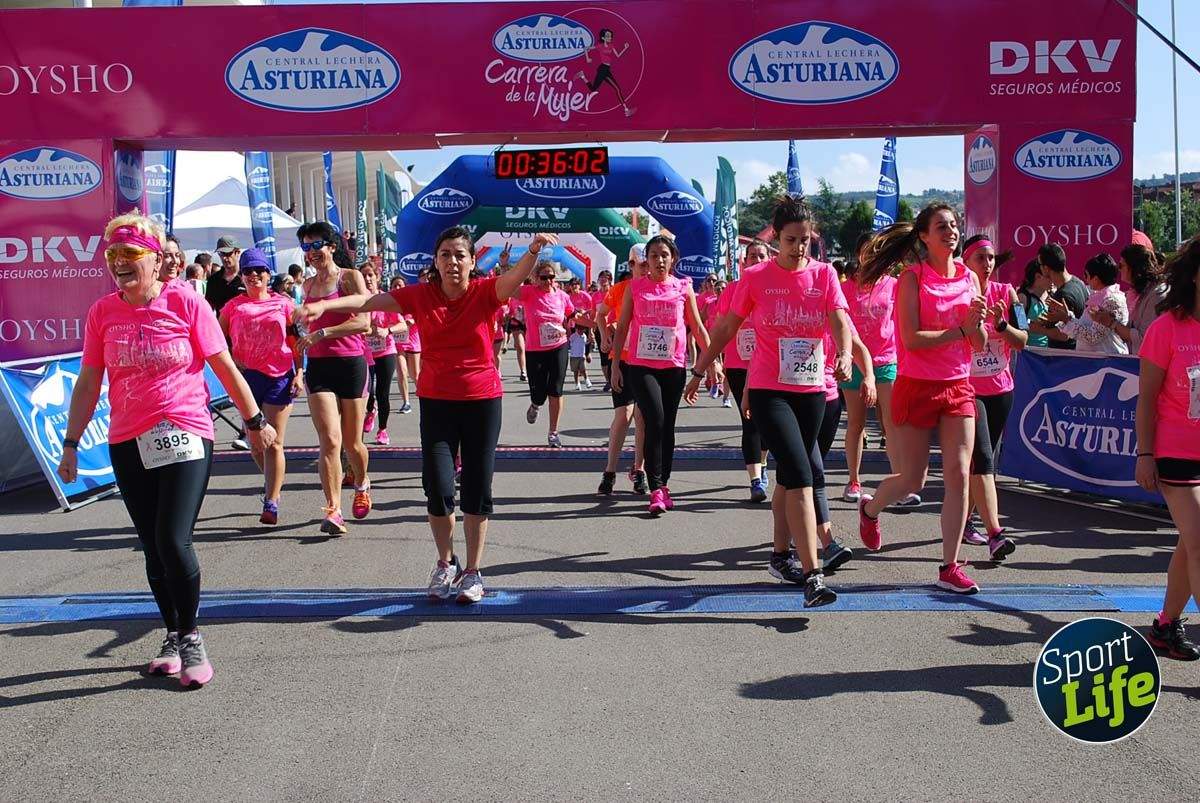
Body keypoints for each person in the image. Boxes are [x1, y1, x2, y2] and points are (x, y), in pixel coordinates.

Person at [57, 212, 277, 688]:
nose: (119, 263)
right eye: (113, 255)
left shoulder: (186, 302)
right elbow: (89, 381)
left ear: (156, 261)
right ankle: (173, 634)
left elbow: (224, 365)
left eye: (130, 254)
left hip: (185, 431)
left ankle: (192, 635)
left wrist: (255, 420)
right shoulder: (102, 313)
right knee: (153, 548)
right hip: (127, 439)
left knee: (173, 539)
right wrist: (71, 443)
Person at [299, 228, 559, 604]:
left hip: (482, 401)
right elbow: (370, 300)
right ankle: (445, 562)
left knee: (476, 488)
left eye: (459, 255)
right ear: (435, 261)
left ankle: (473, 570)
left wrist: (532, 250)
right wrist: (325, 306)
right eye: (445, 254)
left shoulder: (486, 291)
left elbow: (515, 277)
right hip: (437, 402)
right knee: (438, 488)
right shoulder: (421, 295)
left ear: (471, 261)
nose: (452, 262)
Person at [687, 196, 847, 606]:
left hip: (811, 390)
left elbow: (838, 319)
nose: (798, 248)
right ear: (777, 239)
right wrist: (701, 368)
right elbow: (726, 327)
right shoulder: (757, 277)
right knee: (801, 474)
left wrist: (845, 354)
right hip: (768, 389)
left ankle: (778, 556)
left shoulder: (825, 274)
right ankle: (813, 575)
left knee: (791, 477)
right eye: (791, 240)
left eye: (805, 240)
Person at [856, 203, 988, 594]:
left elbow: (979, 343)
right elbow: (911, 339)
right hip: (916, 384)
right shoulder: (912, 279)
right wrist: (960, 330)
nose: (950, 231)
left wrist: (979, 324)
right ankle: (870, 509)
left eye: (954, 225)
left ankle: (950, 566)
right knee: (912, 480)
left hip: (958, 385)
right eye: (941, 226)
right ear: (925, 236)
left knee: (959, 473)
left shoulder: (969, 278)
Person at [1135, 234, 1200, 661]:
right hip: (1177, 451)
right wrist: (1145, 454)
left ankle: (1165, 624)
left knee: (1191, 543)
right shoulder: (1166, 329)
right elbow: (1146, 399)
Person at [294, 221, 372, 535]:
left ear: (332, 246)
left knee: (353, 444)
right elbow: (306, 327)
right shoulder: (306, 286)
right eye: (306, 246)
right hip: (319, 366)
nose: (311, 252)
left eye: (316, 245)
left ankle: (362, 483)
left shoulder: (349, 277)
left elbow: (364, 322)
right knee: (329, 440)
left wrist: (322, 332)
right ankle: (334, 510)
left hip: (351, 363)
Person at [219, 247, 301, 525]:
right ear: (241, 276)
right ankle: (273, 480)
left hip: (279, 376)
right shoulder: (233, 307)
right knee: (256, 445)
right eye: (248, 271)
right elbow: (215, 339)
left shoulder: (284, 304)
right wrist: (231, 362)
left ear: (268, 274)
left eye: (259, 271)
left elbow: (297, 341)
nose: (253, 275)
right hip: (247, 379)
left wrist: (300, 373)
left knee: (274, 442)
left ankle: (271, 500)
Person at [960, 235, 1024, 559]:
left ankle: (965, 520)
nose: (987, 264)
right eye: (980, 258)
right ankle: (995, 534)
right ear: (965, 262)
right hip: (968, 391)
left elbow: (1022, 339)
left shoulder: (1007, 292)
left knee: (983, 463)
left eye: (990, 258)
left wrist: (1002, 325)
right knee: (982, 458)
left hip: (1001, 390)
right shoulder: (959, 294)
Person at [840, 239, 900, 504]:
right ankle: (853, 481)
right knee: (856, 423)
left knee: (891, 423)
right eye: (868, 250)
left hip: (886, 360)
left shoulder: (894, 285)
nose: (874, 254)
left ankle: (899, 483)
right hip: (854, 363)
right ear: (858, 254)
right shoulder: (844, 288)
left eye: (878, 250)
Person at [717, 238, 771, 501]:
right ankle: (755, 480)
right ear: (744, 261)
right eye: (752, 256)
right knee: (749, 420)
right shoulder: (731, 290)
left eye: (761, 256)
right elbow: (721, 327)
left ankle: (763, 462)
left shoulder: (774, 289)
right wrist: (714, 360)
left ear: (769, 260)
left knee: (768, 423)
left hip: (769, 364)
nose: (756, 260)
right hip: (738, 364)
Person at [596, 253, 648, 495]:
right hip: (623, 359)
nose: (647, 269)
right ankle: (610, 470)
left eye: (649, 264)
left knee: (642, 417)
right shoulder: (619, 289)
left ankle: (639, 470)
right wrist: (605, 336)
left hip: (647, 360)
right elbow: (600, 313)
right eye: (642, 264)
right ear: (632, 265)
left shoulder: (656, 288)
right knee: (624, 414)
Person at [518, 262, 575, 448]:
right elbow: (509, 287)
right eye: (544, 277)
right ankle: (535, 404)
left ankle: (553, 432)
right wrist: (503, 267)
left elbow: (572, 314)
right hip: (535, 350)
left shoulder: (562, 296)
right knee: (539, 393)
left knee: (556, 390)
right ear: (536, 278)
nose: (548, 281)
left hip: (559, 345)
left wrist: (593, 324)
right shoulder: (528, 292)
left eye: (551, 277)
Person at [1045, 253, 1129, 355]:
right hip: (1095, 360)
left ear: (1096, 279)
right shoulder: (1100, 296)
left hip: (1108, 361)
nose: (1086, 279)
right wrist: (1068, 317)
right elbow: (1087, 327)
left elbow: (1093, 336)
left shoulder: (1112, 300)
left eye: (1087, 275)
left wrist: (1066, 320)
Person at [360, 262, 405, 446]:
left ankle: (382, 430)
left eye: (370, 275)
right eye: (364, 275)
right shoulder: (357, 301)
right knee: (367, 392)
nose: (367, 279)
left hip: (386, 351)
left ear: (377, 277)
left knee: (383, 393)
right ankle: (371, 410)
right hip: (365, 353)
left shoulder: (386, 300)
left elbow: (402, 324)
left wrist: (387, 330)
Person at [1103, 244, 1167, 352]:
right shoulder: (1139, 292)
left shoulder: (1156, 295)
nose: (1119, 269)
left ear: (1134, 268)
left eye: (1121, 265)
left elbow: (1144, 338)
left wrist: (1111, 323)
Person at [1033, 243, 1087, 350]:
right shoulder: (1079, 283)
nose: (1039, 268)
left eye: (1039, 264)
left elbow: (1063, 335)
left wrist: (1037, 329)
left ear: (1046, 268)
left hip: (1063, 355)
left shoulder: (1062, 295)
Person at [574, 27, 635, 117]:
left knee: (594, 89)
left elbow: (618, 55)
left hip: (606, 69)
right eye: (607, 36)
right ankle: (626, 110)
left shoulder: (611, 46)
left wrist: (625, 48)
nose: (610, 37)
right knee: (616, 89)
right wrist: (587, 58)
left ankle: (582, 76)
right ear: (603, 38)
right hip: (602, 69)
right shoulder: (600, 46)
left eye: (610, 36)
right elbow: (586, 48)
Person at [389, 274, 417, 415]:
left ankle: (427, 396)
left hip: (412, 342)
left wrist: (412, 320)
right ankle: (406, 402)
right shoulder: (388, 304)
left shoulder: (412, 301)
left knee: (415, 375)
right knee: (401, 372)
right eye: (394, 286)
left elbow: (418, 315)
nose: (397, 287)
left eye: (400, 285)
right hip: (398, 343)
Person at [204, 236, 245, 314]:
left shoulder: (247, 277)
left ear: (238, 252)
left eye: (228, 254)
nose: (224, 258)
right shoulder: (214, 280)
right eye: (221, 254)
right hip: (221, 321)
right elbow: (208, 309)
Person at [1017, 258, 1052, 348]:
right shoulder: (1021, 297)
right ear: (1038, 276)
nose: (1053, 279)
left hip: (1049, 353)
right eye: (1049, 276)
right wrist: (1032, 322)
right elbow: (1017, 323)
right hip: (1028, 353)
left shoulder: (1052, 295)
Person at [592, 269, 615, 390]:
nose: (602, 280)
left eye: (605, 278)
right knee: (604, 356)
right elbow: (593, 313)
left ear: (610, 280)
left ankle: (613, 378)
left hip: (613, 328)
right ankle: (608, 380)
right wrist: (591, 330)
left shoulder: (613, 292)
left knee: (613, 354)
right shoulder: (595, 295)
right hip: (600, 328)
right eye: (601, 278)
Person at [568, 325, 589, 391]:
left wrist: (587, 354)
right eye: (579, 329)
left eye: (582, 329)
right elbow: (569, 342)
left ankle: (587, 380)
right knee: (576, 371)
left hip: (582, 356)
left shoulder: (584, 336)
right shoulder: (573, 336)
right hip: (574, 356)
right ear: (576, 329)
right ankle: (577, 384)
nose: (581, 331)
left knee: (583, 370)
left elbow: (585, 344)